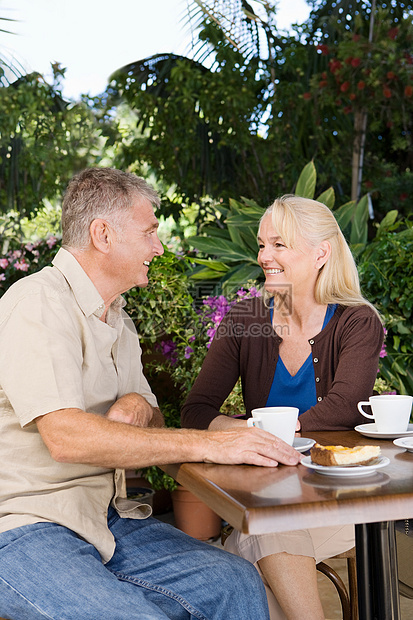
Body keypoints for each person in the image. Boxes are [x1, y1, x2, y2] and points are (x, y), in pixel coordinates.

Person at [0, 168, 303, 620]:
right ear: (102, 234)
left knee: (235, 582)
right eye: (149, 233)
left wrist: (140, 405)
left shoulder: (119, 321)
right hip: (26, 528)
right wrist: (212, 443)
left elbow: (155, 425)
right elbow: (66, 437)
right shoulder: (38, 302)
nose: (158, 248)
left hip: (108, 518)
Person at [181, 195, 384, 620]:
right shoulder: (245, 318)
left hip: (342, 503)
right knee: (265, 531)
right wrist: (252, 436)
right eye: (261, 245)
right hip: (269, 500)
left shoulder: (357, 321)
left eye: (279, 245)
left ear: (320, 253)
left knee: (247, 552)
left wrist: (258, 436)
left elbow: (345, 407)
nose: (264, 256)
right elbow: (196, 411)